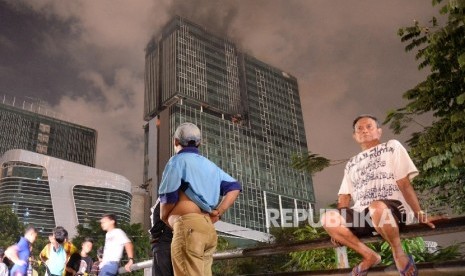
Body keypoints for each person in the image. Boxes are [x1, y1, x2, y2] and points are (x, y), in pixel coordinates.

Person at [321, 114, 438, 276]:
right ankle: (369, 256)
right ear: (355, 136)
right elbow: (344, 197)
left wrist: (420, 214)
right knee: (328, 218)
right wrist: (339, 230)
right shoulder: (351, 163)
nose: (364, 131)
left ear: (379, 131)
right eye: (359, 129)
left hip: (391, 211)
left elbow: (404, 183)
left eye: (369, 127)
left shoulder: (392, 147)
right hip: (363, 215)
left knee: (376, 206)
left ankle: (398, 253)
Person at [159, 122, 241, 276]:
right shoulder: (211, 166)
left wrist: (165, 217)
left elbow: (168, 195)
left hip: (188, 227)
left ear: (175, 141)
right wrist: (219, 211)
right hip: (207, 228)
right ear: (199, 143)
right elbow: (234, 187)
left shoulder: (176, 161)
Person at [149, 199, 173, 276]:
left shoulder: (166, 197)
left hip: (164, 244)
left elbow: (157, 223)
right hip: (181, 245)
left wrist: (156, 236)